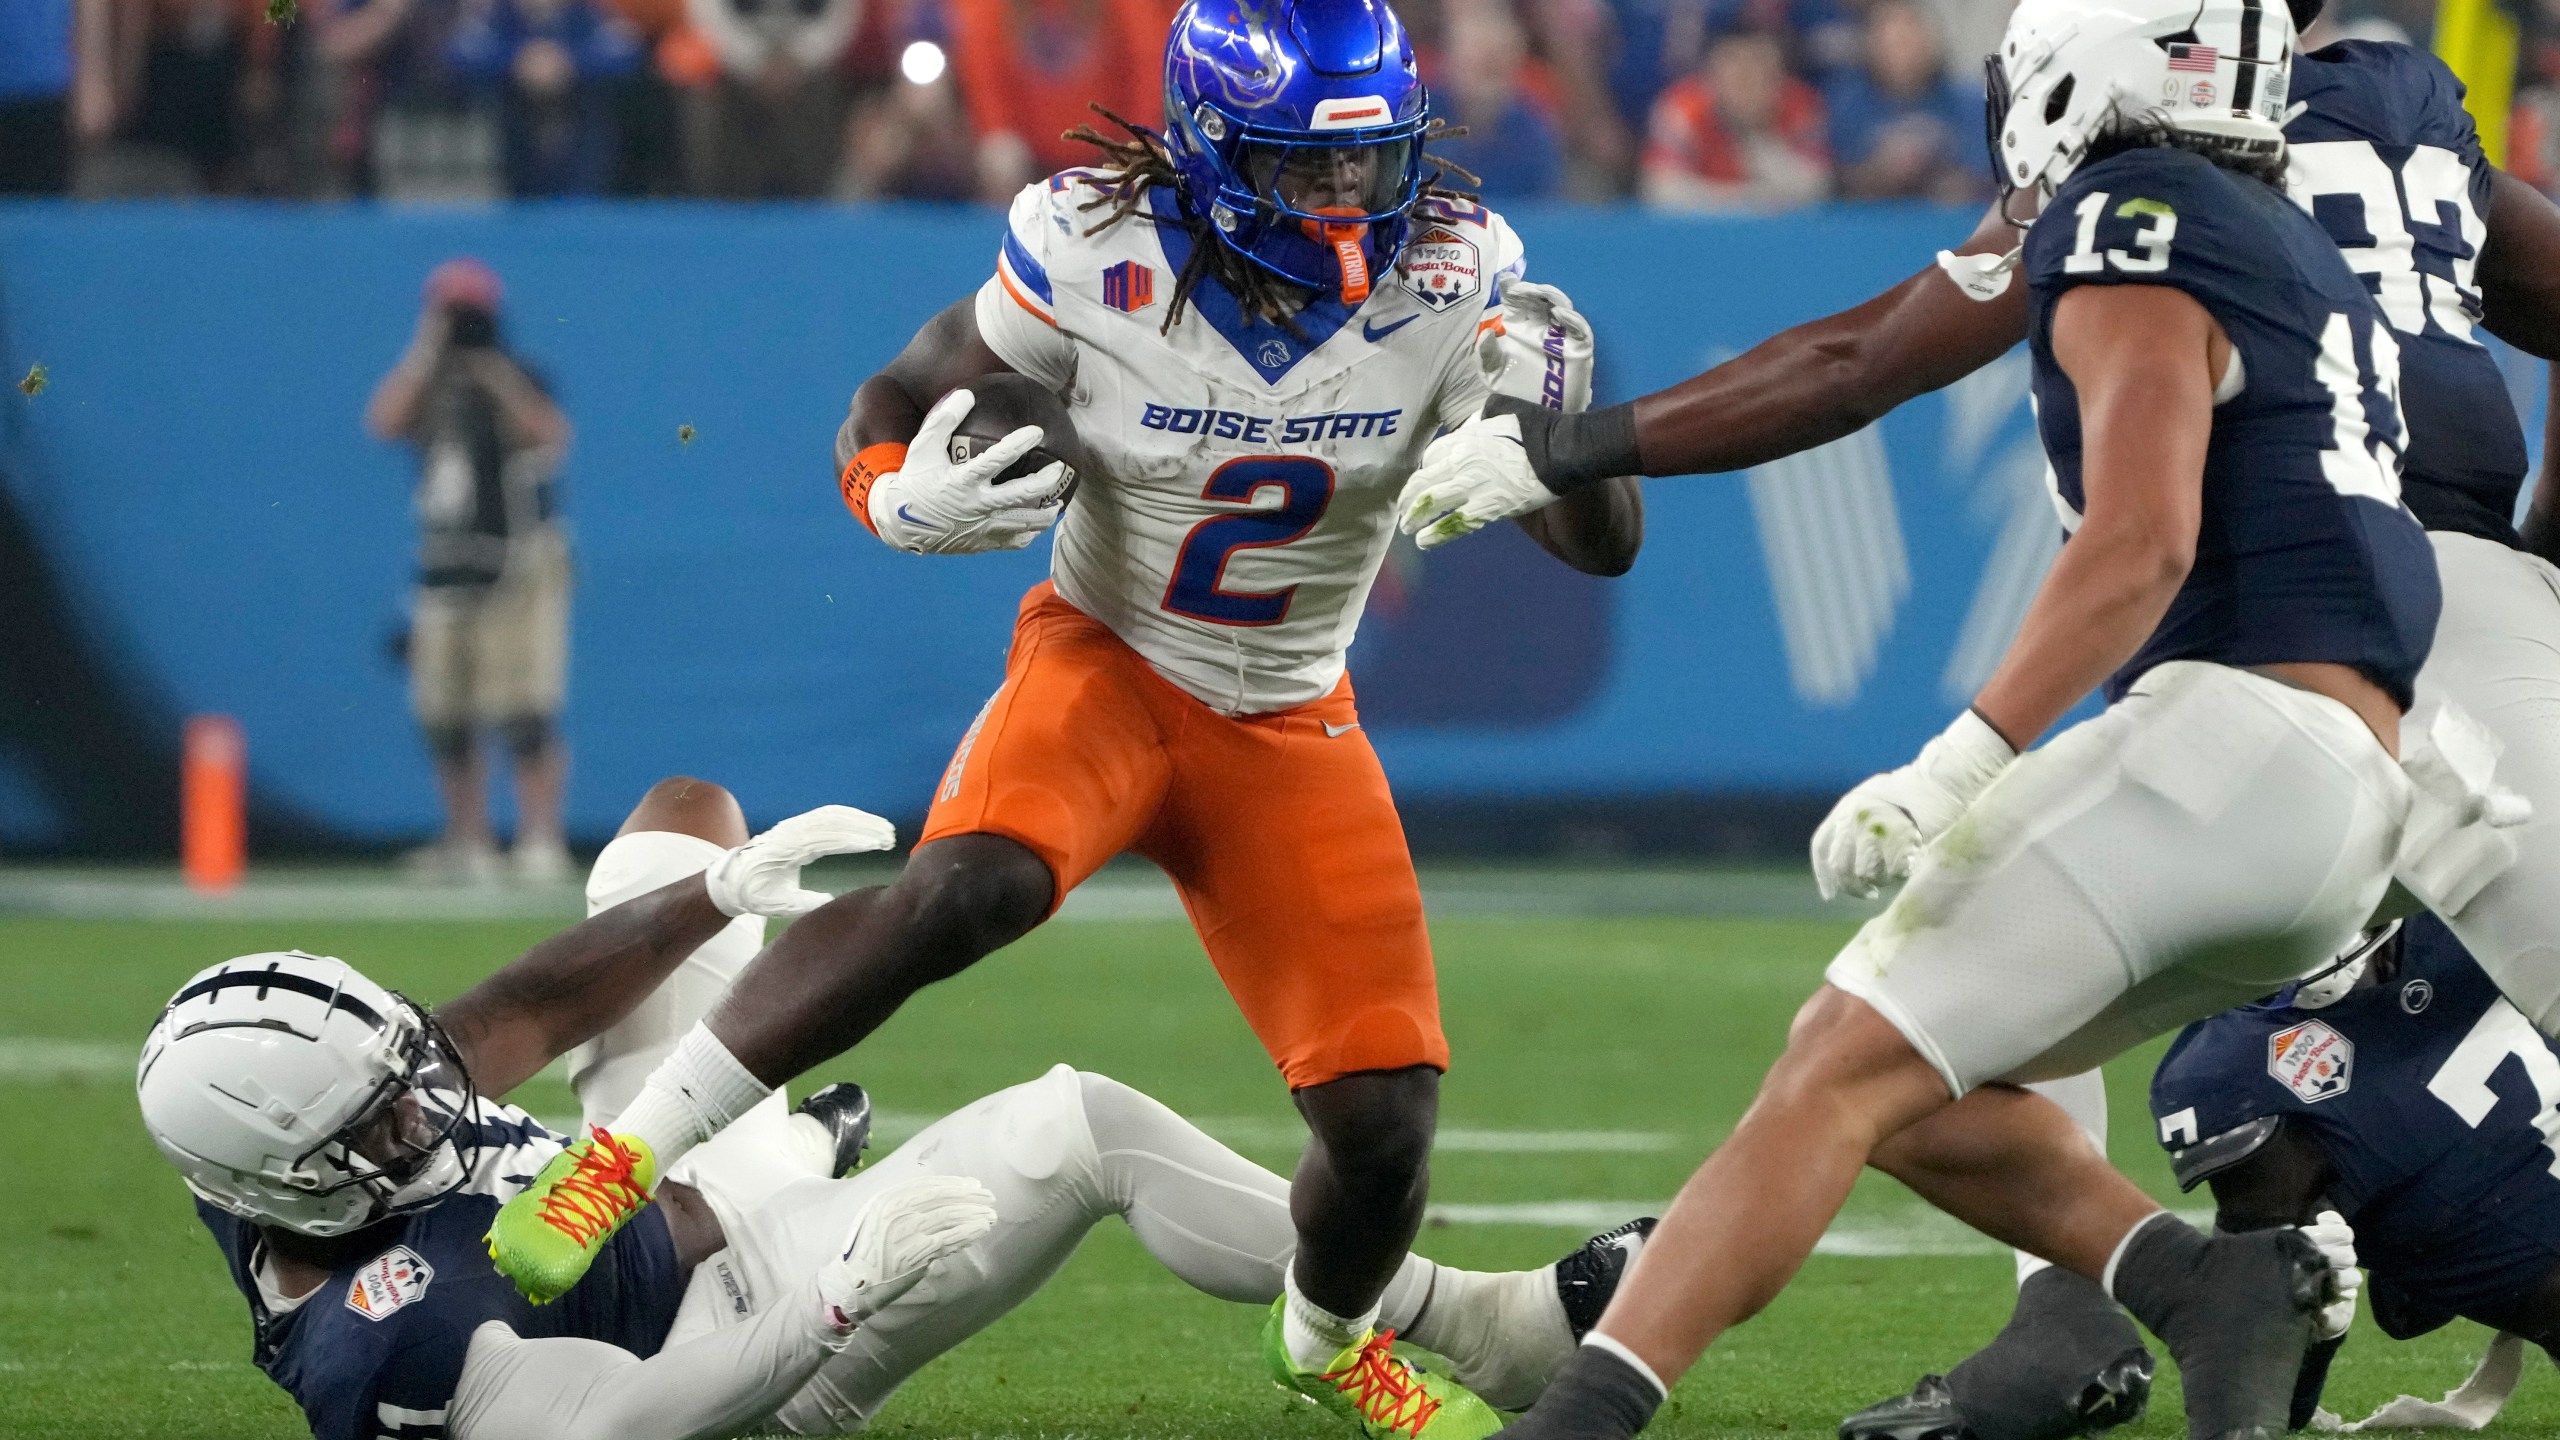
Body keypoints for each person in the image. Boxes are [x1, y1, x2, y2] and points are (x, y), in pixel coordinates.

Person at [1394, 0, 2560, 1428]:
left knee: (1876, 1041)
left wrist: (1956, 756)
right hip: (2399, 688)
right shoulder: (2353, 163)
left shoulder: (2133, 201)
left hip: (2287, 681)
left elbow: (1955, 424)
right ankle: (2161, 1297)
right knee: (1969, 1037)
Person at [485, 3, 1643, 1436]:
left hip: (1287, 713)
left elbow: (1608, 545)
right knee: (967, 887)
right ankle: (628, 1154)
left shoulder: (1464, 275)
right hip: (1111, 656)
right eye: (1305, 169)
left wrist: (1560, 437)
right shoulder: (1098, 244)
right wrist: (891, 491)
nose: (1349, 204)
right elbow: (902, 389)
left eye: (1370, 165)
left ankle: (1332, 1338)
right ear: (1215, 153)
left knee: (1386, 1120)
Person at [136, 774, 1655, 1440]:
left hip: (642, 1211)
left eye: (405, 1081)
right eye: (391, 1125)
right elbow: (642, 1417)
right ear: (299, 1189)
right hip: (730, 1345)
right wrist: (837, 1291)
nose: (431, 1107)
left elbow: (508, 1021)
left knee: (665, 841)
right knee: (1080, 1122)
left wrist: (714, 901)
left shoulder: (280, 1149)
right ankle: (1478, 1327)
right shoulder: (384, 1342)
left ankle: (781, 1137)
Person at [365, 257, 577, 886]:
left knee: (524, 709)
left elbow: (550, 438)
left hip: (516, 563)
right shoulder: (427, 383)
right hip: (445, 565)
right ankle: (469, 838)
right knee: (445, 714)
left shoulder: (519, 376)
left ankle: (540, 837)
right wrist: (425, 353)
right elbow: (384, 423)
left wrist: (495, 376)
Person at [1638, 26, 1831, 213]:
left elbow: (1815, 189)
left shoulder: (1801, 106)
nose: (1745, 77)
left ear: (1778, 73)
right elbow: (1661, 191)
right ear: (1710, 75)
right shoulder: (1682, 108)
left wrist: (1756, 134)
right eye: (1733, 66)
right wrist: (1745, 201)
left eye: (1757, 65)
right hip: (1701, 231)